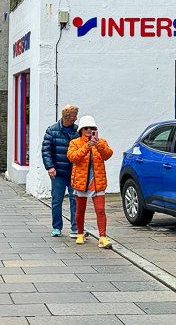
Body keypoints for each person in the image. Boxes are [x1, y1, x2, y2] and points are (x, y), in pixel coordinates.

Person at [67, 115, 114, 249]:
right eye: (86, 128)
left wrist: (98, 144)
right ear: (81, 130)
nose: (89, 130)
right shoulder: (75, 143)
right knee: (80, 210)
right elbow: (73, 157)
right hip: (82, 181)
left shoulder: (102, 142)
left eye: (92, 128)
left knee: (100, 210)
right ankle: (80, 233)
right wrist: (87, 147)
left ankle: (103, 237)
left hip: (97, 180)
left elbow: (108, 155)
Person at [42, 104, 81, 238]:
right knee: (57, 200)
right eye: (74, 115)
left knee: (74, 199)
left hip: (74, 172)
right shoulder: (52, 130)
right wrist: (50, 167)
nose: (76, 118)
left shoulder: (77, 131)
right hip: (58, 172)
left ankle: (75, 227)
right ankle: (57, 227)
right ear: (67, 116)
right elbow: (46, 150)